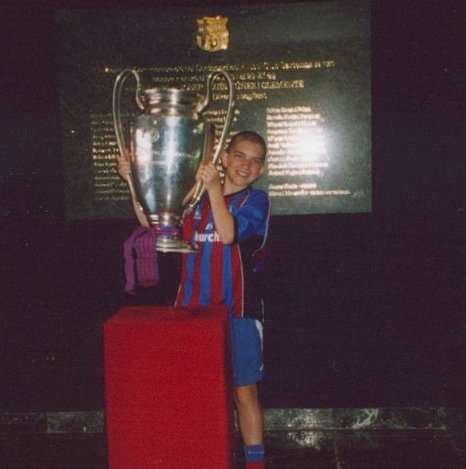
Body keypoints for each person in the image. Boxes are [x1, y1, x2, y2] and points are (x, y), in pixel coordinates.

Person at [118, 130, 270, 469]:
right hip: (191, 313)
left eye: (255, 160)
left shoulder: (255, 202)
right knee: (193, 391)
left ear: (260, 171)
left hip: (237, 314)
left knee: (244, 392)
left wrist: (214, 187)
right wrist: (132, 182)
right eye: (240, 156)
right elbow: (152, 225)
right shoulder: (193, 199)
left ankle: (256, 465)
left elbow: (229, 233)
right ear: (226, 157)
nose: (246, 165)